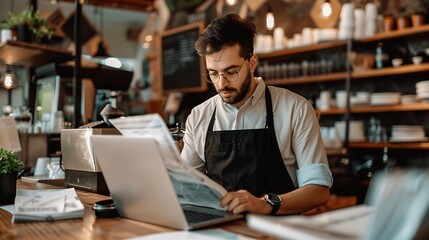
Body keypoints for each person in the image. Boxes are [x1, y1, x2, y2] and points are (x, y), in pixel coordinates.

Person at [180, 13, 333, 216]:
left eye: (231, 71)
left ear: (252, 63)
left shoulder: (295, 109)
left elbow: (318, 191)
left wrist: (266, 204)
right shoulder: (199, 116)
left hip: (277, 231)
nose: (221, 83)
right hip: (220, 230)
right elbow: (186, 187)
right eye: (213, 74)